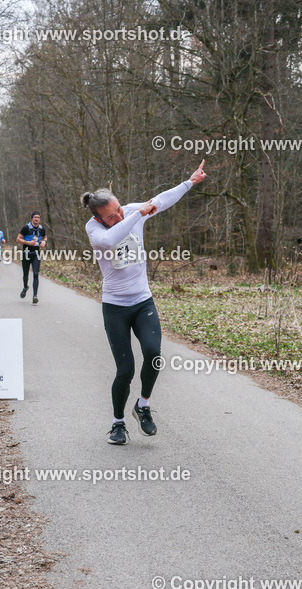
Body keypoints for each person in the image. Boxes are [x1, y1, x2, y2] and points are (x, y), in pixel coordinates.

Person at [82, 160, 206, 445]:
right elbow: (113, 238)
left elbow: (162, 200)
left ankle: (143, 405)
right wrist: (137, 214)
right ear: (99, 218)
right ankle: (117, 423)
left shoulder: (129, 211)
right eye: (111, 215)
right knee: (124, 370)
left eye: (119, 210)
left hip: (142, 301)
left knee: (153, 354)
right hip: (114, 306)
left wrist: (190, 182)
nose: (118, 216)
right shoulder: (95, 230)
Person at [16, 212, 47, 304]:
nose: (36, 219)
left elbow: (45, 237)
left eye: (38, 217)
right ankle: (25, 287)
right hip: (26, 253)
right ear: (32, 218)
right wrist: (28, 242)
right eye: (35, 217)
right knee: (26, 274)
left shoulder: (42, 229)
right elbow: (18, 239)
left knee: (36, 274)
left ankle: (35, 296)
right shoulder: (26, 228)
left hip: (36, 254)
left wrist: (44, 242)